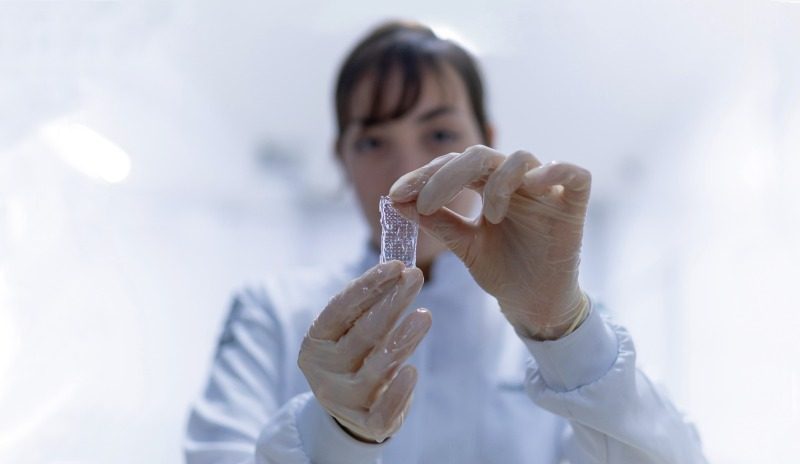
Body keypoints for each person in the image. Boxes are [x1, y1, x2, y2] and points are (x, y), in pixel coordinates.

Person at [184, 20, 707, 463]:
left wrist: (563, 334)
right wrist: (333, 434)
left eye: (438, 135)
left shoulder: (565, 329)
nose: (407, 170)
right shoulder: (272, 314)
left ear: (487, 140)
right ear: (341, 158)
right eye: (371, 141)